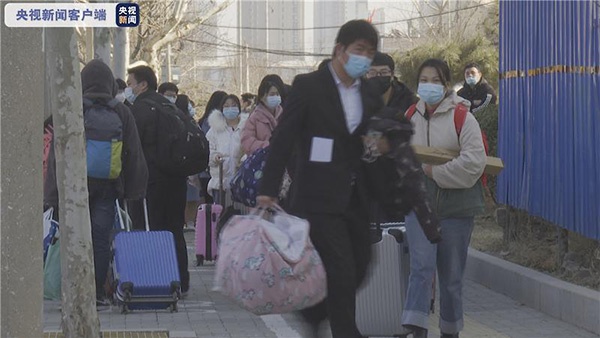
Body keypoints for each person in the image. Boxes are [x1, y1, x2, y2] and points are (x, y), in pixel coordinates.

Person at [256, 19, 383, 338]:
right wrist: (268, 188)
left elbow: (375, 138)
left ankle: (313, 313)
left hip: (355, 197)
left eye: (370, 52)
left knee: (361, 264)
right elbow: (283, 138)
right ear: (340, 50)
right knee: (341, 269)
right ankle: (345, 331)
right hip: (317, 197)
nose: (364, 58)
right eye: (359, 50)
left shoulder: (369, 92)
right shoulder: (308, 85)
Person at [44, 59, 148, 305]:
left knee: (73, 238)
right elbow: (133, 153)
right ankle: (98, 293)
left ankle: (74, 293)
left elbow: (57, 155)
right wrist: (134, 190)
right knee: (101, 240)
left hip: (74, 187)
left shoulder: (71, 109)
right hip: (108, 186)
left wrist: (51, 194)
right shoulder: (121, 111)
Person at [401, 58, 486, 338]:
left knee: (450, 279)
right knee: (421, 269)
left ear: (447, 85)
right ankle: (416, 330)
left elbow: (474, 163)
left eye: (435, 80)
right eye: (423, 80)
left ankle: (450, 332)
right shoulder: (409, 116)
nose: (429, 86)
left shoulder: (462, 117)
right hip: (420, 207)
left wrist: (434, 171)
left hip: (457, 209)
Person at [125, 65, 190, 295]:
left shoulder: (138, 110)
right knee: (174, 229)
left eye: (130, 83)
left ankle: (156, 279)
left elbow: (131, 148)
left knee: (149, 230)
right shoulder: (170, 108)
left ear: (143, 85)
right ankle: (181, 281)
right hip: (176, 180)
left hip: (150, 182)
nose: (128, 88)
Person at [206, 94, 247, 205]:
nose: (230, 109)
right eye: (226, 106)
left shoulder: (246, 127)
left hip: (241, 181)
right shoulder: (214, 130)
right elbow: (207, 152)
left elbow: (251, 148)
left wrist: (244, 158)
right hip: (219, 183)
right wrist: (214, 157)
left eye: (233, 105)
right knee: (221, 216)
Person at [198, 90, 228, 204]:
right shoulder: (211, 124)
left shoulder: (202, 121)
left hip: (205, 172)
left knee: (210, 205)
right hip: (213, 171)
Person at [240, 78, 283, 156]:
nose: (276, 97)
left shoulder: (284, 115)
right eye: (272, 94)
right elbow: (247, 142)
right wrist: (268, 146)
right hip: (262, 162)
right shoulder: (255, 118)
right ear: (262, 97)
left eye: (277, 94)